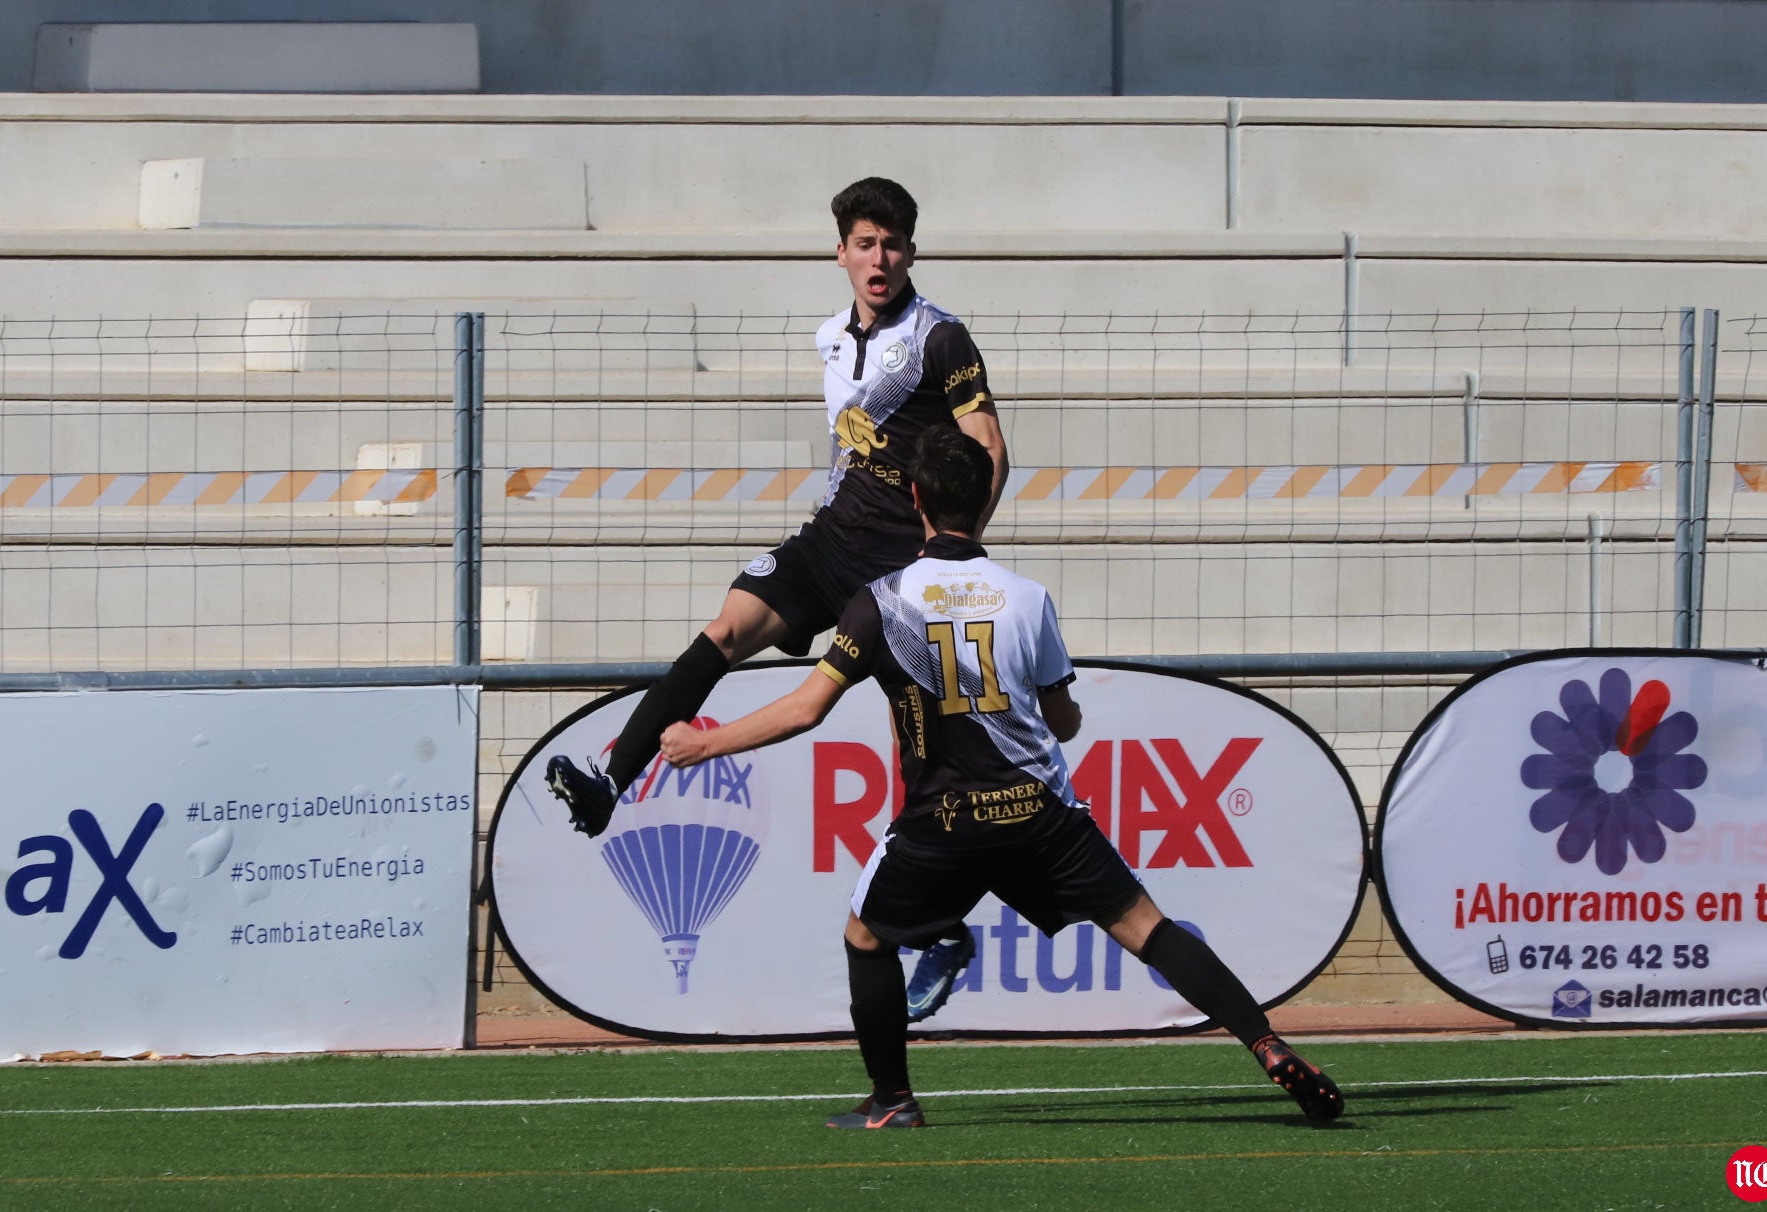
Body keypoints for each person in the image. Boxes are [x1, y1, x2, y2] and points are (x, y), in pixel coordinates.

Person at [658, 424, 1345, 1130]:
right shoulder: (1026, 597)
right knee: (1149, 927)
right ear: (982, 498)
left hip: (943, 822)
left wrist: (695, 745)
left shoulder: (879, 600)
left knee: (867, 938)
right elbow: (1063, 719)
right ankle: (1266, 1042)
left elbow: (805, 709)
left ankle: (892, 1098)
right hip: (1040, 813)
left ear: (916, 500)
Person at [546, 176, 999, 1016]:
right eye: (864, 243)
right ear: (840, 251)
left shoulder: (941, 339)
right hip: (828, 543)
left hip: (902, 571)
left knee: (924, 748)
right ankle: (615, 780)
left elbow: (988, 449)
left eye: (893, 243)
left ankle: (939, 927)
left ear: (910, 252)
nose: (879, 258)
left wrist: (955, 554)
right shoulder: (831, 337)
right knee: (722, 629)